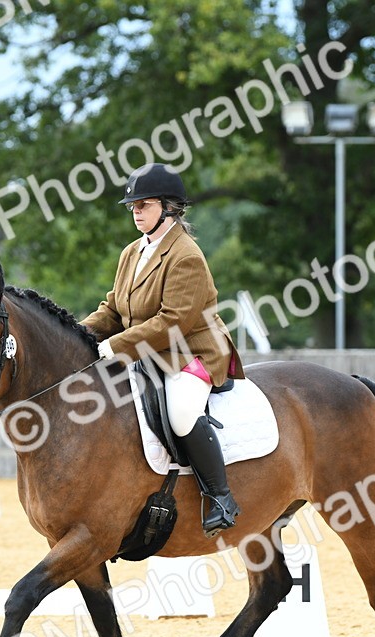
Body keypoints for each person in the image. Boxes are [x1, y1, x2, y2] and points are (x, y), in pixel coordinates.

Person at [82, 163, 245, 534]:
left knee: (182, 413)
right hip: (149, 351)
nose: (136, 212)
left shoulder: (185, 255)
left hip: (190, 352)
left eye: (144, 205)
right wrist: (81, 332)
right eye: (133, 206)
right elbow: (114, 307)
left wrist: (114, 347)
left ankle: (220, 496)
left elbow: (172, 322)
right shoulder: (132, 252)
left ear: (169, 208)